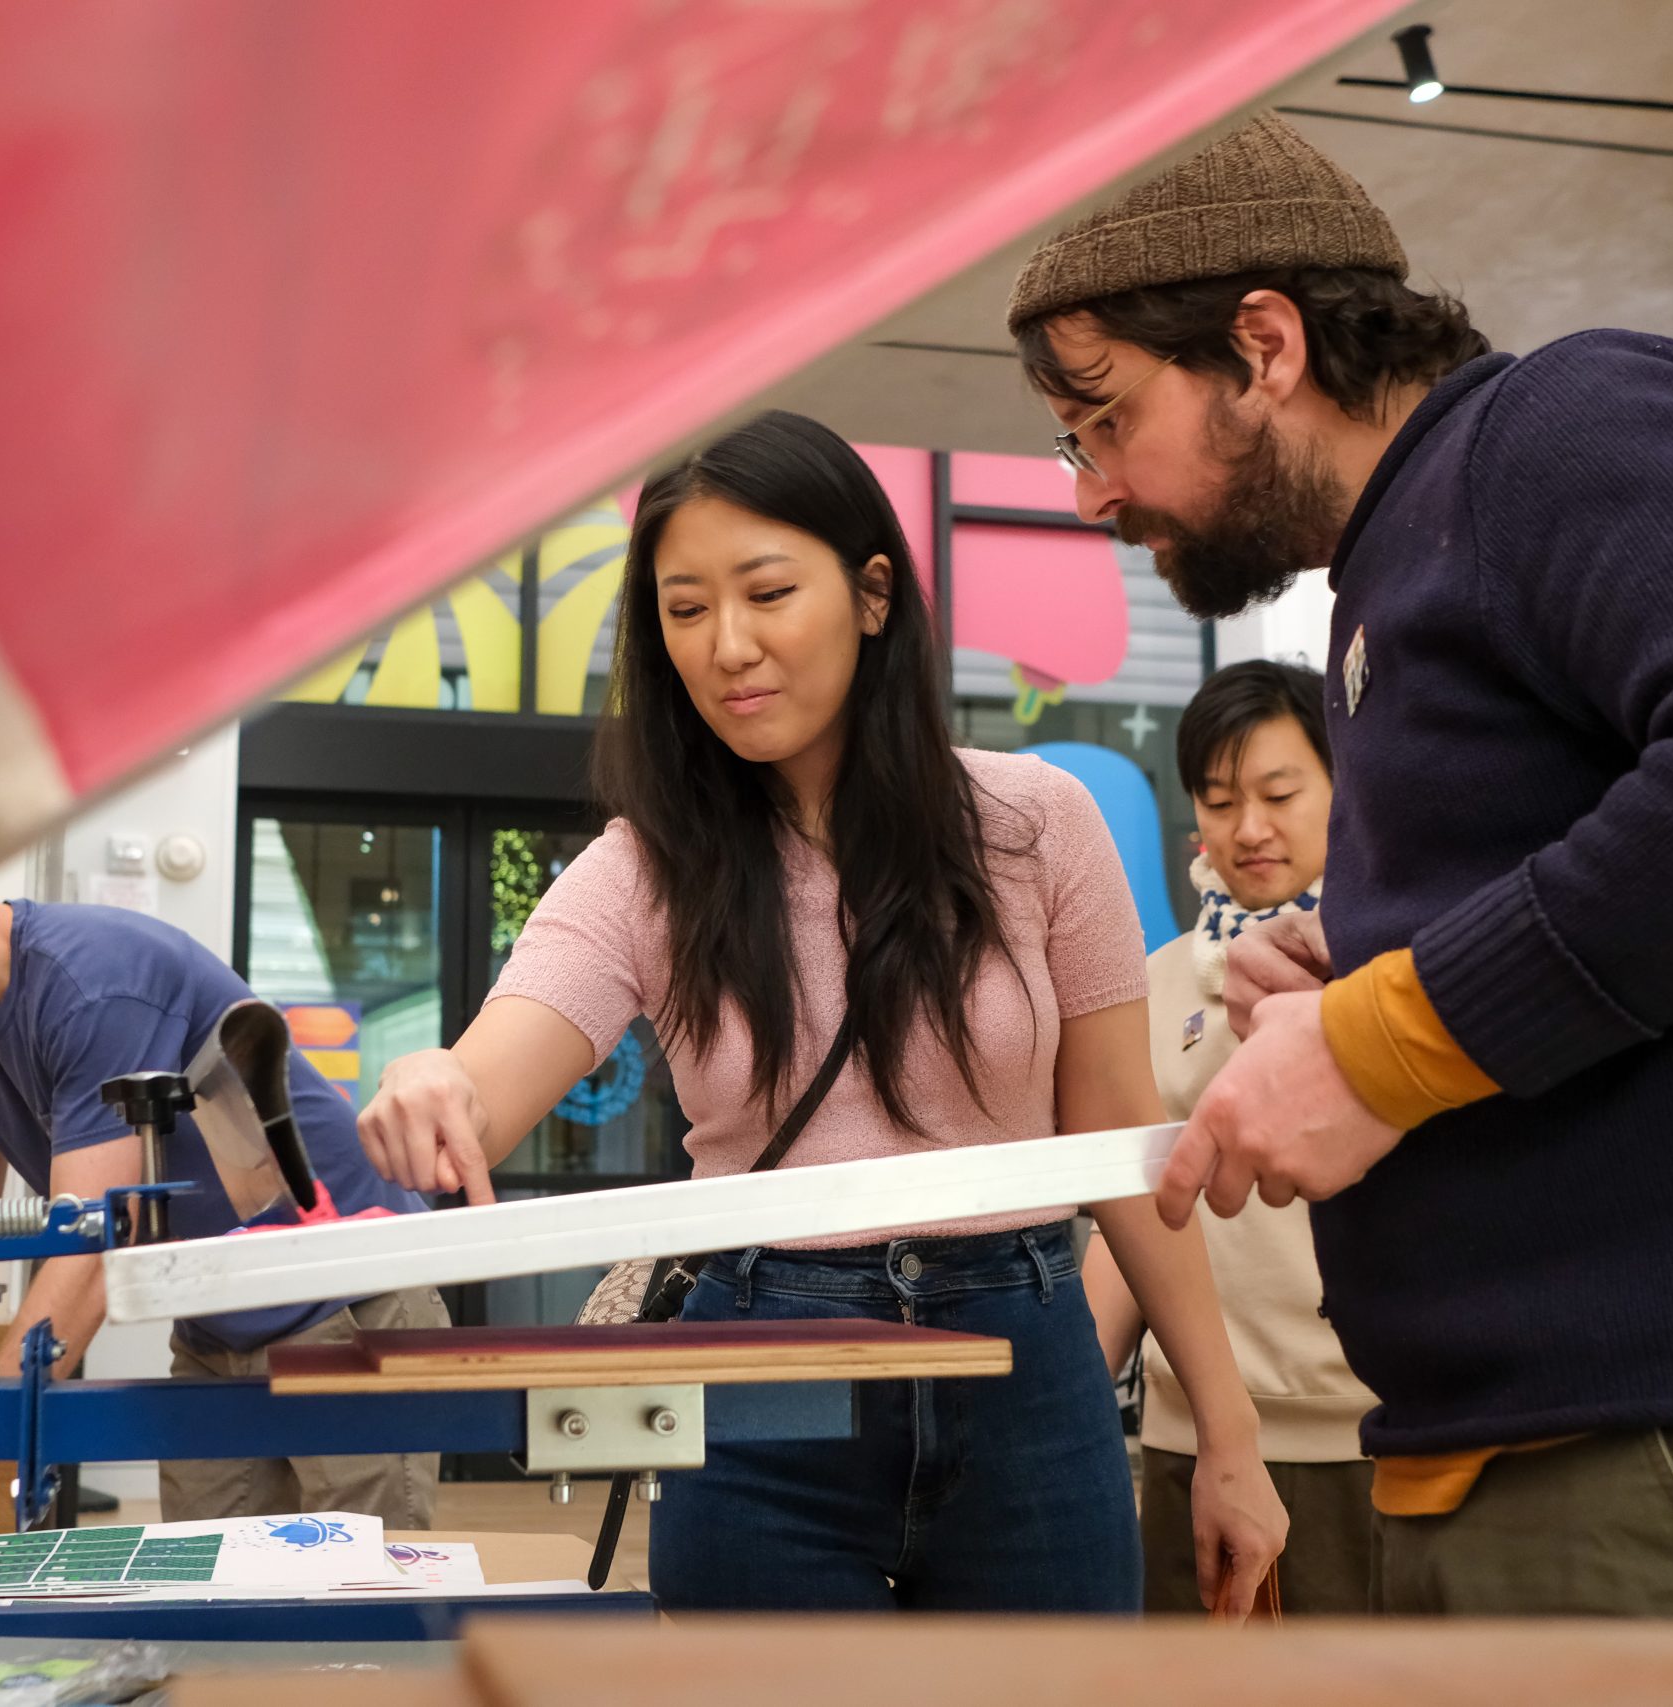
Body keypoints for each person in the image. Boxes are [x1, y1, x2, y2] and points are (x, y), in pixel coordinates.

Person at [1005, 111, 1673, 1637]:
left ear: (1265, 343)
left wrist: (1377, 1042)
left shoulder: (1559, 425)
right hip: (1560, 1470)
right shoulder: (1400, 575)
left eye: (1102, 419)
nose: (1093, 488)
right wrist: (1373, 962)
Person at [355, 409, 1285, 1614]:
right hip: (761, 1373)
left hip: (1024, 1367)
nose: (727, 645)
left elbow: (1118, 1137)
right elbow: (488, 1079)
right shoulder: (644, 870)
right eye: (685, 611)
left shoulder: (1038, 823)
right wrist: (436, 1085)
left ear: (873, 594)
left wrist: (1226, 1432)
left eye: (765, 592)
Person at [0, 878, 447, 1538]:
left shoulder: (94, 982)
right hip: (216, 1327)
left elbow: (101, 1245)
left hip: (350, 1305)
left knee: (357, 1619)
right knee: (212, 1613)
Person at [1083, 660, 1376, 1615]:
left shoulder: (1399, 978)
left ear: (1345, 785)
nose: (1249, 827)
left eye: (1281, 793)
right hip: (1195, 1438)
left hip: (1371, 1436)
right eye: (1219, 799)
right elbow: (1135, 1208)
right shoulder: (1155, 985)